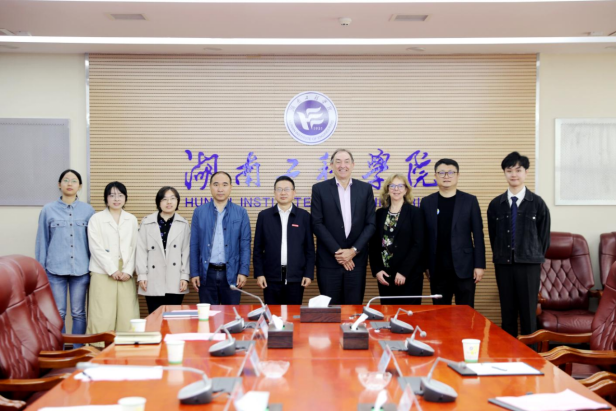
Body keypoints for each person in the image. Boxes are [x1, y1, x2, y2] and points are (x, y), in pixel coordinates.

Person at [487, 152, 551, 337]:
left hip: (529, 265)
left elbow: (544, 238)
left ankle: (531, 353)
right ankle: (507, 352)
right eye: (509, 170)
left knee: (528, 314)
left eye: (518, 170)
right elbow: (493, 237)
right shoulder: (496, 204)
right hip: (504, 265)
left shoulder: (537, 203)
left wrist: (531, 255)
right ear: (504, 173)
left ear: (526, 172)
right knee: (507, 313)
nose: (513, 174)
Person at [35, 169, 95, 346]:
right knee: (58, 313)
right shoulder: (48, 210)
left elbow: (93, 242)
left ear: (80, 186)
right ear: (59, 184)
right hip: (55, 269)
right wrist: (41, 270)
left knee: (78, 313)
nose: (70, 184)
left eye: (74, 181)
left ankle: (78, 351)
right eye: (66, 180)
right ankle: (58, 352)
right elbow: (42, 241)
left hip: (81, 269)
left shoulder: (88, 211)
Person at [311, 149, 376, 305]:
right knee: (330, 311)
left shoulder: (365, 189)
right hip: (329, 262)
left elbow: (371, 224)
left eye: (346, 161)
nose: (342, 165)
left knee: (353, 310)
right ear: (331, 165)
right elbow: (317, 224)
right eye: (338, 161)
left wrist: (353, 251)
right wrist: (339, 252)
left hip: (356, 262)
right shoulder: (319, 189)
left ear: (353, 165)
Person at [420, 159, 486, 307]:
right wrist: (426, 266)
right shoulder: (427, 202)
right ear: (435, 176)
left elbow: (478, 235)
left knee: (465, 312)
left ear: (458, 175)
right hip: (437, 269)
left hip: (465, 268)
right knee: (440, 313)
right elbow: (423, 237)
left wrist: (479, 265)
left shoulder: (470, 201)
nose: (446, 176)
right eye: (441, 172)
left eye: (451, 172)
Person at [190, 171, 251, 304]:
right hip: (206, 273)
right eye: (216, 184)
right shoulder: (199, 212)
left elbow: (245, 245)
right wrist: (194, 273)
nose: (220, 189)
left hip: (232, 273)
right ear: (210, 186)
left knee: (231, 314)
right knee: (208, 314)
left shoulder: (241, 212)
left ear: (230, 187)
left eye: (224, 184)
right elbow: (194, 244)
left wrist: (243, 272)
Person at [86, 181, 140, 334]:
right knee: (101, 314)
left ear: (125, 198)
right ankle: (99, 346)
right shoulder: (96, 219)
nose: (116, 199)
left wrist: (128, 271)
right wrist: (112, 269)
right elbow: (95, 247)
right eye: (112, 195)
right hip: (102, 271)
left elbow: (135, 247)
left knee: (127, 313)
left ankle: (126, 346)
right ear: (106, 198)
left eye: (120, 195)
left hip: (126, 271)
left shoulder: (131, 219)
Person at [253, 176, 315, 305]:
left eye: (287, 189)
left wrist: (308, 274)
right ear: (274, 192)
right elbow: (258, 249)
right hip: (270, 277)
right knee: (272, 314)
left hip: (296, 278)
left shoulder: (304, 216)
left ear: (294, 193)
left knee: (293, 314)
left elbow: (309, 249)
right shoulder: (264, 216)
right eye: (279, 189)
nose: (283, 193)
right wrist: (259, 274)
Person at [369, 174, 424, 305]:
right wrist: (377, 270)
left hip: (409, 275)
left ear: (406, 190)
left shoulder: (415, 213)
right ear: (387, 189)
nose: (396, 189)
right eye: (392, 186)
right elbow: (373, 244)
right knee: (387, 313)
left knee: (409, 314)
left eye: (400, 186)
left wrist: (404, 272)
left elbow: (419, 244)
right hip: (385, 275)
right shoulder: (379, 214)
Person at [136, 186, 190, 314]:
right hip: (152, 278)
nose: (169, 202)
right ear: (158, 202)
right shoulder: (147, 222)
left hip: (176, 279)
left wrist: (185, 276)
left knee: (173, 318)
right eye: (164, 199)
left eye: (172, 198)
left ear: (177, 201)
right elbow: (141, 250)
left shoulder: (183, 224)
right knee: (155, 316)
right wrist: (142, 274)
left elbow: (186, 251)